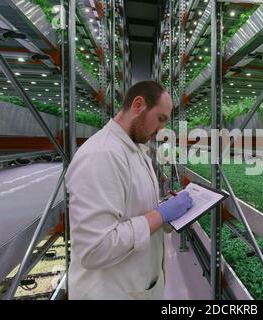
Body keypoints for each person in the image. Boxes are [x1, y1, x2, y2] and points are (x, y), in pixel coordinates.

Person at [65, 81, 193, 300]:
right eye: (160, 119)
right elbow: (95, 249)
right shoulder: (102, 155)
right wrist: (160, 215)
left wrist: (164, 208)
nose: (162, 129)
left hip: (134, 286)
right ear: (138, 105)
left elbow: (130, 206)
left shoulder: (133, 149)